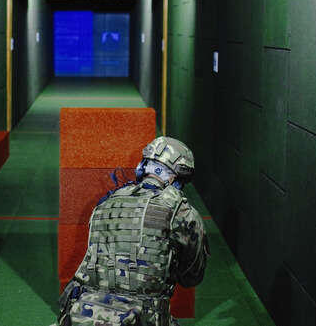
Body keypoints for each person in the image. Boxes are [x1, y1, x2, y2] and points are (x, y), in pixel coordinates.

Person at [56, 136, 210, 326]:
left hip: (84, 314)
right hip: (141, 317)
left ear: (143, 167)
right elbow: (191, 276)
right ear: (175, 177)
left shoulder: (107, 202)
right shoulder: (182, 211)